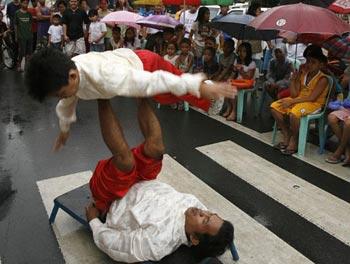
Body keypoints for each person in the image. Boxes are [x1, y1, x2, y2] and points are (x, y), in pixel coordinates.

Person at [85, 98, 234, 262]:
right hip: (143, 178)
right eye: (210, 213)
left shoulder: (157, 243)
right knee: (156, 148)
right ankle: (140, 93)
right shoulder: (197, 209)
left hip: (113, 196)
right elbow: (215, 230)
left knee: (126, 161)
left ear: (194, 239)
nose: (203, 211)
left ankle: (101, 97)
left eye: (204, 219)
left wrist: (94, 221)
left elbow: (113, 245)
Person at [25, 47, 236, 151]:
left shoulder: (107, 77)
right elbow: (66, 104)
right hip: (124, 60)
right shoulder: (68, 76)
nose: (61, 97)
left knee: (170, 91)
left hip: (144, 64)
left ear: (72, 76)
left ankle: (208, 89)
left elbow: (157, 79)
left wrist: (198, 85)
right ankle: (204, 92)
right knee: (168, 96)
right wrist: (64, 130)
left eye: (60, 93)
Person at [270, 45, 330, 155]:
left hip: (314, 104)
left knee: (294, 113)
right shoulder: (303, 75)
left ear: (321, 64)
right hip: (299, 100)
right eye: (308, 61)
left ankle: (294, 139)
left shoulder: (323, 79)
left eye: (313, 62)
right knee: (274, 107)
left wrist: (292, 102)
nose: (309, 64)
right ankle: (286, 133)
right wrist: (294, 80)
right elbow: (294, 94)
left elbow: (312, 98)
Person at [224, 42, 256, 121]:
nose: (241, 53)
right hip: (238, 81)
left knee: (233, 89)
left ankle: (234, 111)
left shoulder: (252, 63)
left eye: (244, 51)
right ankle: (229, 107)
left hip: (247, 83)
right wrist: (230, 78)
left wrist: (241, 71)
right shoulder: (237, 60)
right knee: (226, 85)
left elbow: (249, 77)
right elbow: (233, 74)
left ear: (248, 52)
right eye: (240, 51)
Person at [325, 66, 350, 166]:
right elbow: (341, 87)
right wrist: (346, 79)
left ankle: (340, 151)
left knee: (348, 123)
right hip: (348, 107)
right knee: (332, 117)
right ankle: (347, 149)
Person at [14, 0, 32, 71]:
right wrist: (16, 36)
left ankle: (27, 67)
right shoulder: (17, 13)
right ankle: (19, 65)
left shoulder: (29, 13)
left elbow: (30, 24)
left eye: (27, 3)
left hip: (29, 36)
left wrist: (30, 33)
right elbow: (15, 25)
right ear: (21, 3)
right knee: (21, 52)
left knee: (29, 53)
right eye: (24, 3)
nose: (26, 4)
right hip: (21, 36)